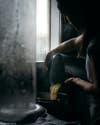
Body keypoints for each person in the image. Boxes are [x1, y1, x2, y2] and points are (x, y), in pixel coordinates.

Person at [45, 0, 100, 125]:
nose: (67, 21)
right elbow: (74, 42)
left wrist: (76, 80)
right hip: (92, 105)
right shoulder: (92, 34)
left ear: (80, 13)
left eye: (67, 14)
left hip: (97, 110)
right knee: (57, 57)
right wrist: (52, 52)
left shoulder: (94, 45)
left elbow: (97, 89)